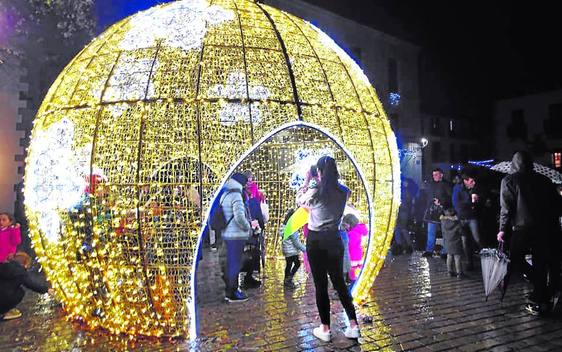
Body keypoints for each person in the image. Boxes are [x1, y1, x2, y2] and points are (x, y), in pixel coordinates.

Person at [297, 156, 360, 342]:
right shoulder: (344, 191)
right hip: (335, 238)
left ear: (319, 172)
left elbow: (299, 200)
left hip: (316, 240)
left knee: (321, 285)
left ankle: (325, 329)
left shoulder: (316, 192)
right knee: (340, 283)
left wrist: (308, 180)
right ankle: (354, 325)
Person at [497, 151, 562, 315]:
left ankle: (541, 291)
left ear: (514, 163)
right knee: (540, 262)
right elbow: (556, 205)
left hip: (523, 228)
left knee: (516, 260)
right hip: (546, 228)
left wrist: (502, 230)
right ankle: (542, 293)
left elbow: (506, 208)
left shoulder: (509, 180)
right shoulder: (544, 180)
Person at [220, 172, 257, 303]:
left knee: (230, 263)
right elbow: (239, 216)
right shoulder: (236, 194)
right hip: (236, 235)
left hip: (227, 234)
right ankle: (233, 293)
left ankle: (229, 291)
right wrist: (248, 226)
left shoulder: (225, 193)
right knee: (235, 264)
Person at [0, 252, 50, 320]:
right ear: (24, 263)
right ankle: (3, 312)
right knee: (20, 292)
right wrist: (46, 289)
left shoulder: (3, 265)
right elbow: (32, 284)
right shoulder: (20, 272)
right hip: (3, 298)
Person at [452, 172, 483, 270]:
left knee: (477, 238)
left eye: (474, 180)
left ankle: (487, 259)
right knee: (465, 242)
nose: (473, 183)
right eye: (471, 181)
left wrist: (478, 200)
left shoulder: (474, 188)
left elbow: (480, 202)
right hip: (463, 218)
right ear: (465, 181)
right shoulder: (458, 188)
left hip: (472, 217)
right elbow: (457, 204)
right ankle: (470, 263)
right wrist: (470, 203)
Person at [422, 168, 452, 257]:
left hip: (443, 210)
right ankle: (429, 250)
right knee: (431, 231)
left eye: (436, 174)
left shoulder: (446, 185)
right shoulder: (431, 185)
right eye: (433, 174)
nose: (434, 176)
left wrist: (441, 202)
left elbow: (450, 197)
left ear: (441, 175)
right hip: (432, 211)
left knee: (445, 232)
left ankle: (445, 251)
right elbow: (428, 196)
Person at [279, 208, 306, 289]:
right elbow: (296, 242)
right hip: (292, 251)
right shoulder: (292, 228)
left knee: (289, 264)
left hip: (286, 249)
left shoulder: (284, 226)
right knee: (297, 264)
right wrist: (305, 249)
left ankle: (287, 280)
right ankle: (288, 279)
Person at [342, 213, 369, 281]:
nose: (345, 227)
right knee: (355, 268)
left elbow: (350, 244)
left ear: (350, 223)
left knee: (351, 270)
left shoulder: (352, 233)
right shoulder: (357, 231)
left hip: (352, 254)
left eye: (345, 225)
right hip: (357, 253)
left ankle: (352, 281)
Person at [440, 208, 464, 279]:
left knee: (449, 257)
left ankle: (449, 272)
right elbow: (460, 231)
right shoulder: (456, 222)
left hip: (447, 242)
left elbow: (443, 232)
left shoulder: (443, 222)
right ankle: (459, 273)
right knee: (457, 258)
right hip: (456, 242)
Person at [393, 179, 414, 255]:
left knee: (401, 228)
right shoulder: (406, 191)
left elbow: (408, 202)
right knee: (400, 229)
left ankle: (403, 246)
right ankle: (405, 246)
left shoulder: (405, 191)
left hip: (402, 211)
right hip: (402, 211)